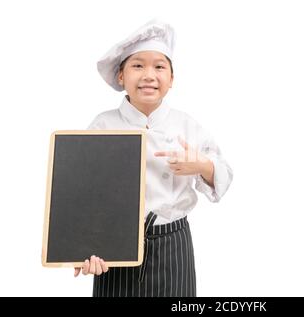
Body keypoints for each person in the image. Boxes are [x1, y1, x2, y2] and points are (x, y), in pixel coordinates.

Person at [73, 19, 233, 297]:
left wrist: (201, 166)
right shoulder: (102, 125)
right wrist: (84, 247)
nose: (149, 75)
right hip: (115, 247)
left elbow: (224, 175)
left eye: (159, 66)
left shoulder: (187, 126)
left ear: (172, 79)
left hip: (173, 242)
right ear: (121, 76)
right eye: (137, 65)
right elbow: (84, 196)